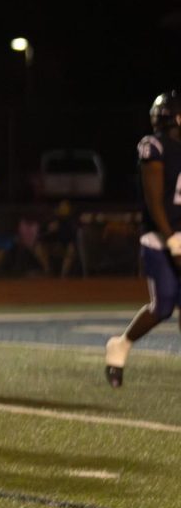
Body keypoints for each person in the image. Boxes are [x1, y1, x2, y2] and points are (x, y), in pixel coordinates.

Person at [105, 90, 181, 387]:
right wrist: (172, 239)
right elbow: (154, 200)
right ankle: (120, 345)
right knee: (162, 307)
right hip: (160, 236)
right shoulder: (154, 146)